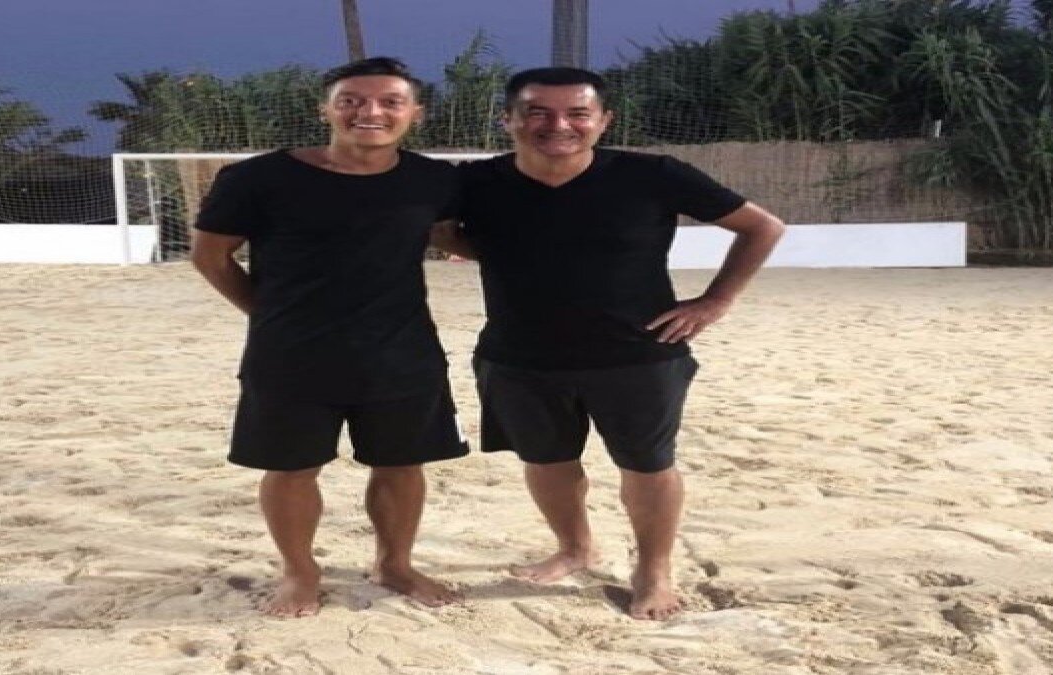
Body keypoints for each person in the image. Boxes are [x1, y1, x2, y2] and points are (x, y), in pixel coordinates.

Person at [433, 67, 785, 621]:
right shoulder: (472, 182)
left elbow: (762, 227)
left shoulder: (653, 175)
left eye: (578, 113)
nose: (559, 125)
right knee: (547, 461)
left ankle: (654, 570)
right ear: (508, 120)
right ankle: (575, 548)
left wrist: (715, 301)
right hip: (518, 355)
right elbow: (442, 232)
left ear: (603, 121)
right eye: (538, 112)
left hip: (639, 353)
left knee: (647, 465)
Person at [191, 57, 468, 619]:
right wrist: (267, 315)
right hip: (292, 355)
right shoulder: (257, 179)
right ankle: (300, 572)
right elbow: (210, 256)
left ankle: (395, 564)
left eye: (390, 102)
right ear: (326, 110)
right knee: (291, 468)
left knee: (401, 464)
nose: (371, 112)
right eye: (352, 101)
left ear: (415, 113)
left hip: (402, 351)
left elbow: (451, 234)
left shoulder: (434, 180)